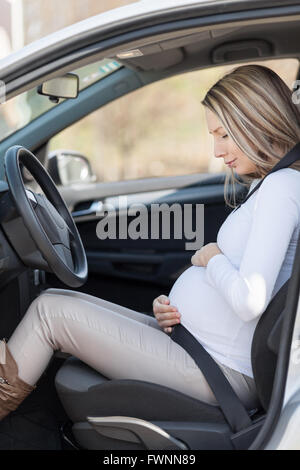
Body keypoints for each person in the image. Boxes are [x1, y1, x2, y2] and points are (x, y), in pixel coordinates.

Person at [1, 64, 300, 421]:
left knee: (50, 315)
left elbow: (251, 301)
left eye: (224, 134)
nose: (217, 150)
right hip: (196, 348)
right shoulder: (269, 184)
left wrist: (213, 259)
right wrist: (174, 308)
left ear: (257, 121)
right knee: (53, 301)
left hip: (217, 370)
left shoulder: (282, 188)